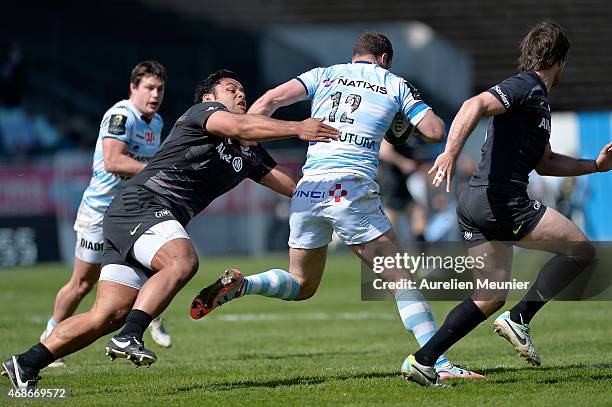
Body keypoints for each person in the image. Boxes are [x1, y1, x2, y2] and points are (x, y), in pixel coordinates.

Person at [1, 69, 339, 390]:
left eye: (242, 91)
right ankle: (130, 335)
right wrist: (297, 127)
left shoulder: (248, 153)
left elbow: (296, 188)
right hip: (141, 204)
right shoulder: (204, 113)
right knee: (182, 261)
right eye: (231, 89)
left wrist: (337, 193)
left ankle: (26, 362)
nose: (240, 94)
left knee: (107, 314)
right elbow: (242, 125)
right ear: (210, 97)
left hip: (138, 219)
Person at [190, 32, 484, 381]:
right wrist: (402, 126)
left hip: (308, 189)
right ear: (385, 59)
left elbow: (270, 100)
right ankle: (437, 365)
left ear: (354, 55)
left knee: (302, 284)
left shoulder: (323, 74)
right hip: (349, 187)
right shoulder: (394, 83)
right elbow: (435, 130)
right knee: (401, 278)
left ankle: (243, 285)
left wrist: (247, 137)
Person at [404, 21, 612, 386]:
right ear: (560, 61)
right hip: (501, 199)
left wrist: (595, 166)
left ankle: (423, 361)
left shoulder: (537, 102)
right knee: (582, 251)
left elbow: (546, 163)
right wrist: (449, 153)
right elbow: (474, 103)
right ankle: (520, 319)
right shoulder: (526, 85)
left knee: (489, 296)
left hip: (476, 203)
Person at [40, 61, 172, 369]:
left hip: (134, 209)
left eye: (160, 89)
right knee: (83, 284)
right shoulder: (120, 116)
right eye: (149, 88)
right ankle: (48, 335)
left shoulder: (157, 122)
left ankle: (151, 315)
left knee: (166, 259)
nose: (155, 95)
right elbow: (114, 162)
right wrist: (156, 172)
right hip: (100, 212)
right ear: (133, 88)